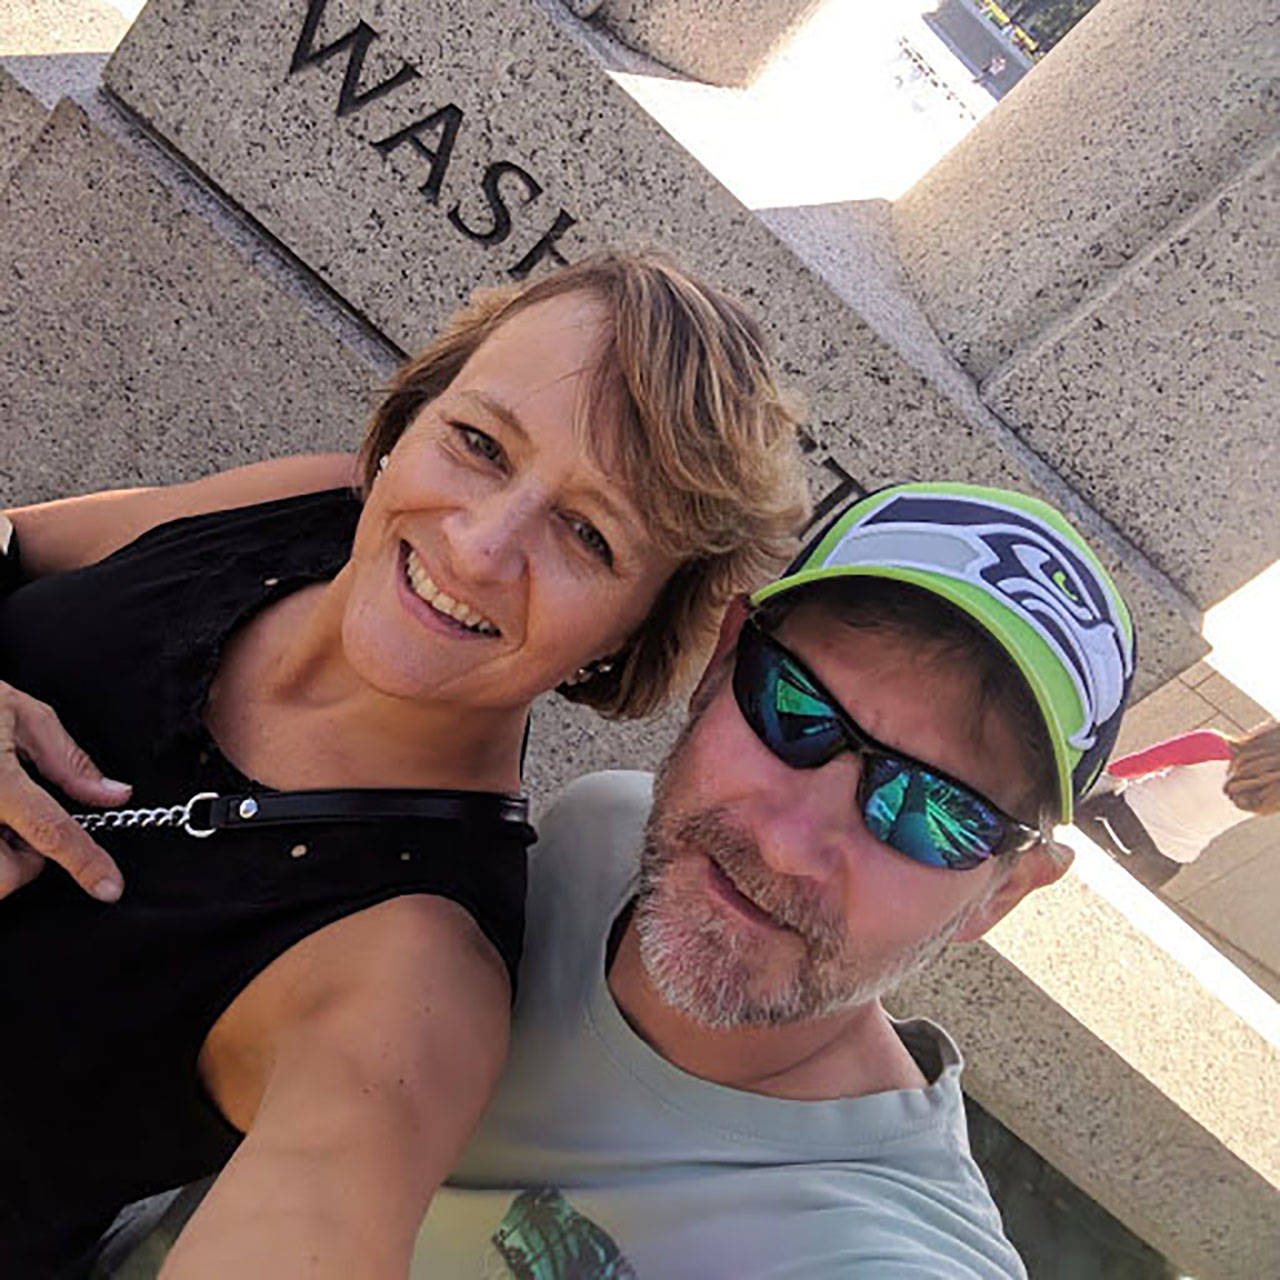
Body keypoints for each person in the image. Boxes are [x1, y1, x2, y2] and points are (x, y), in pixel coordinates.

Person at [0, 251, 809, 1277]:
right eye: (478, 442)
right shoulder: (317, 512)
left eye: (587, 534)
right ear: (417, 412)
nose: (477, 545)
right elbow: (18, 537)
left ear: (635, 627)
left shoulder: (412, 978)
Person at [107, 481, 1137, 1278]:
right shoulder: (597, 835)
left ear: (1002, 893)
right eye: (793, 708)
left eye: (933, 810)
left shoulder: (866, 1245)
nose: (787, 843)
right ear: (720, 660)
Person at [1076, 721, 1280, 871]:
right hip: (1162, 865)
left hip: (1116, 822)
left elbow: (1124, 769)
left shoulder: (1212, 745)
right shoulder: (1271, 796)